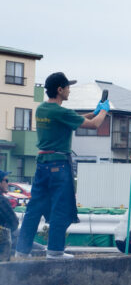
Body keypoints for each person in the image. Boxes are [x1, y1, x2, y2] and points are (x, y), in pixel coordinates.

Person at [14, 72, 109, 261]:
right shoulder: (61, 112)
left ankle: (21, 251)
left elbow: (70, 119)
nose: (69, 91)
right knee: (61, 208)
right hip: (59, 165)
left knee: (34, 209)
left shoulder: (42, 109)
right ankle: (55, 251)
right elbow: (94, 125)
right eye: (67, 87)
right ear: (59, 89)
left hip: (41, 165)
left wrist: (93, 112)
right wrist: (104, 111)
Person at [0, 170, 19, 261]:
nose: (8, 183)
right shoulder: (2, 200)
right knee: (40, 248)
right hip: (4, 241)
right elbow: (14, 223)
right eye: (6, 181)